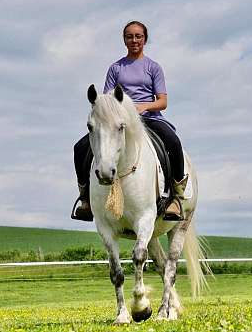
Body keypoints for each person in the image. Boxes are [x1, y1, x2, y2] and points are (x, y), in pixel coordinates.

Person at [73, 20, 188, 221]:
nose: (134, 40)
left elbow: (162, 101)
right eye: (129, 36)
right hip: (119, 122)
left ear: (145, 39)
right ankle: (85, 199)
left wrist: (143, 106)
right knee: (80, 147)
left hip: (148, 118)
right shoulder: (115, 68)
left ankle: (176, 197)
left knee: (173, 142)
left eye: (138, 36)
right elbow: (107, 100)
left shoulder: (153, 67)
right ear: (124, 40)